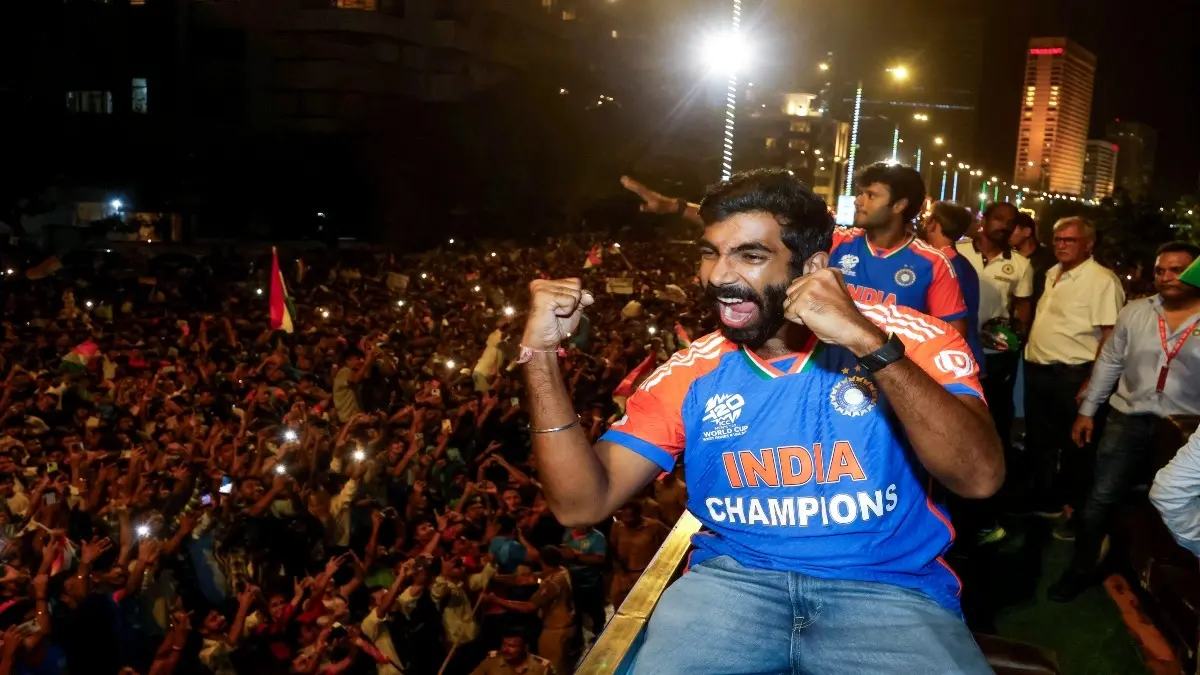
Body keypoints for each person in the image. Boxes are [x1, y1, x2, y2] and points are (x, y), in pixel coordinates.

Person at [520, 169, 1003, 673]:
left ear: (812, 266)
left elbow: (979, 477)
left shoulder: (915, 341)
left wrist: (867, 344)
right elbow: (580, 503)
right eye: (711, 252)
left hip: (890, 592)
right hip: (730, 588)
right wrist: (540, 356)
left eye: (750, 256)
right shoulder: (693, 369)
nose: (718, 276)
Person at [1049, 242, 1200, 600]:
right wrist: (1087, 411)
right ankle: (1081, 569)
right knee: (1101, 497)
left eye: (1177, 270)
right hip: (1127, 417)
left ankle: (1166, 578)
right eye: (1160, 270)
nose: (1166, 277)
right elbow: (1110, 362)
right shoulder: (1136, 311)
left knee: (1172, 499)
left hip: (1184, 427)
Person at [1022, 217, 1125, 523]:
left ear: (1089, 244)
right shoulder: (1052, 273)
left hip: (1073, 375)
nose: (1061, 245)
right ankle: (1047, 500)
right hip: (1039, 371)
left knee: (1076, 446)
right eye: (1057, 240)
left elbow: (1110, 336)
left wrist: (1092, 382)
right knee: (1040, 441)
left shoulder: (1102, 280)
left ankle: (1075, 510)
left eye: (1070, 240)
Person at [831, 163, 969, 339]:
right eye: (861, 193)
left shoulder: (933, 263)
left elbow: (952, 335)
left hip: (890, 366)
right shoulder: (836, 241)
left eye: (871, 195)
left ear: (899, 205)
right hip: (829, 365)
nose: (858, 201)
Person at [954, 202, 1034, 459]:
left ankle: (995, 465)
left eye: (1010, 222)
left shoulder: (1021, 264)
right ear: (984, 219)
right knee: (959, 406)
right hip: (957, 346)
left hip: (996, 352)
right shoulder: (958, 250)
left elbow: (1022, 306)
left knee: (997, 409)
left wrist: (1015, 336)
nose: (1004, 225)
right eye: (998, 218)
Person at [917, 201, 983, 366]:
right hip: (965, 356)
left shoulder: (941, 266)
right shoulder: (962, 264)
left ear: (933, 223)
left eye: (928, 217)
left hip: (949, 360)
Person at [1009, 212, 1056, 312]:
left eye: (1012, 229)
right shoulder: (1007, 257)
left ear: (1027, 231)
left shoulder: (1049, 259)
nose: (1007, 233)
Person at [469, 633, 554, 675]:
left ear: (525, 648)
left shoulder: (541, 668)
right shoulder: (492, 661)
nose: (505, 649)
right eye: (504, 644)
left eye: (512, 646)